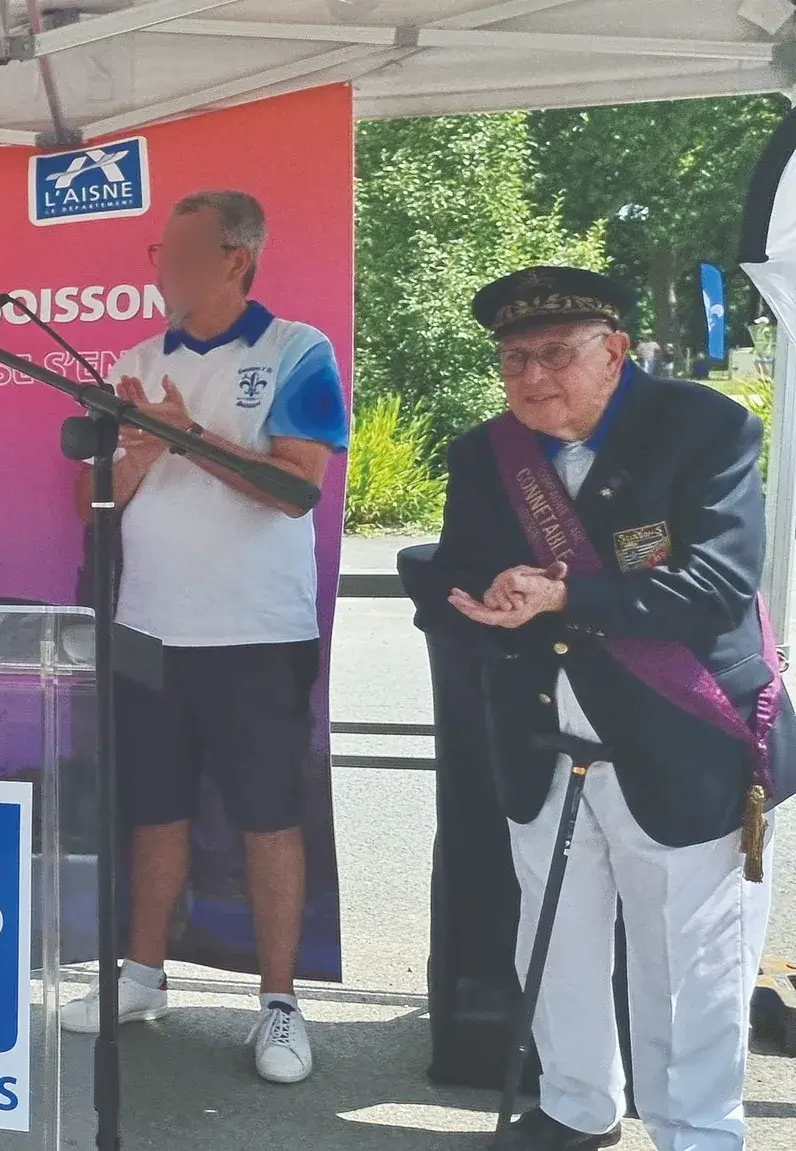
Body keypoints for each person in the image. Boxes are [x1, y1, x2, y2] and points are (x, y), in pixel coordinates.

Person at [411, 266, 786, 1151]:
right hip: (543, 736)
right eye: (513, 359)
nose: (532, 376)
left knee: (689, 957)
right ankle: (578, 1105)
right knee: (556, 942)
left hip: (682, 735)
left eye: (555, 353)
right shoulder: (485, 454)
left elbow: (716, 585)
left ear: (615, 351)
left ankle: (696, 1131)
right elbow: (447, 576)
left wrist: (563, 596)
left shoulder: (705, 427)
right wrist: (486, 594)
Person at [55, 189, 350, 1088]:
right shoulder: (137, 361)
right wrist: (143, 451)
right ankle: (142, 976)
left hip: (257, 631)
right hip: (149, 627)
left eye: (181, 253)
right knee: (156, 809)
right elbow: (93, 505)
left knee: (268, 817)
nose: (164, 270)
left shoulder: (298, 350)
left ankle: (279, 1002)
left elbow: (299, 488)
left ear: (235, 259)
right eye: (160, 252)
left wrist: (188, 437)